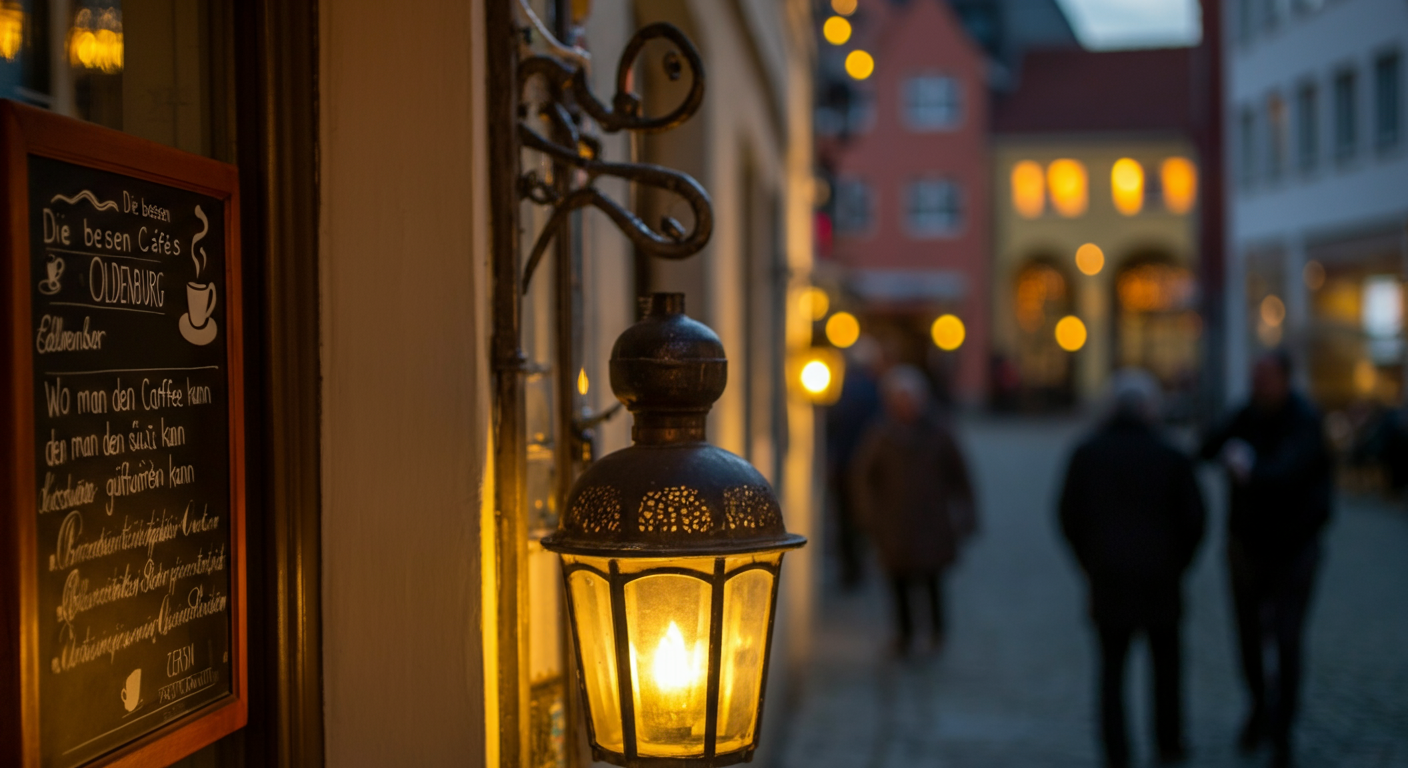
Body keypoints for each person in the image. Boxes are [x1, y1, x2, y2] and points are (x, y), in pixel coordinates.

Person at [1059, 369, 1205, 768]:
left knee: (1111, 670)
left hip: (1109, 578)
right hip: (1161, 578)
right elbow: (1195, 520)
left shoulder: (1088, 453)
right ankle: (1169, 742)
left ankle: (1116, 750)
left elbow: (1068, 516)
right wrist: (1178, 564)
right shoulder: (1170, 454)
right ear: (1149, 408)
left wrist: (1089, 561)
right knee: (1166, 666)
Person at [1200, 351, 1333, 768]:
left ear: (1285, 379)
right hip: (1246, 547)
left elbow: (1286, 474)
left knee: (1289, 640)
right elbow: (1205, 448)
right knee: (1248, 638)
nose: (1258, 385)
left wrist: (1249, 468)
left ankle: (1282, 729)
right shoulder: (1246, 414)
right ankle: (1259, 706)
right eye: (1254, 377)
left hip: (1294, 549)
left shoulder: (1305, 420)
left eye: (1265, 378)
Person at [850, 365, 976, 655]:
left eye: (911, 398)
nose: (907, 404)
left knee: (932, 582)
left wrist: (966, 515)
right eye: (901, 398)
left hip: (932, 522)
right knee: (898, 583)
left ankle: (936, 633)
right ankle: (904, 635)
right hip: (894, 524)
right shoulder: (881, 434)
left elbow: (961, 476)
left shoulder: (940, 433)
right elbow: (864, 477)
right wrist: (868, 516)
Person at [825, 336, 883, 589]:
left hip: (845, 465)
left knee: (846, 521)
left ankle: (851, 570)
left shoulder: (845, 390)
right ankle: (860, 566)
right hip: (866, 467)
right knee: (862, 519)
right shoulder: (873, 391)